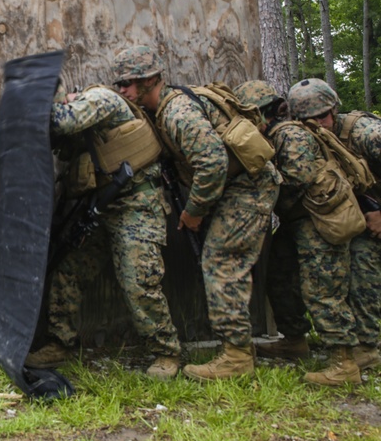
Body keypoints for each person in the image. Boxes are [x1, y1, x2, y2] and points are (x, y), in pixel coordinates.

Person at [110, 45, 279, 380]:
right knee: (222, 261)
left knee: (220, 261)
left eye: (128, 82)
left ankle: (236, 358)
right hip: (234, 189)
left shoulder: (177, 112)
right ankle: (238, 349)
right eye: (120, 84)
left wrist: (194, 211)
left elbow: (213, 162)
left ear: (152, 79)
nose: (122, 90)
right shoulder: (164, 111)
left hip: (248, 187)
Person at [26, 82, 183, 379]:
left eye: (63, 99)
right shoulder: (86, 116)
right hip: (104, 206)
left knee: (138, 280)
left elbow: (62, 120)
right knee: (68, 269)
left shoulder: (99, 98)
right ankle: (61, 343)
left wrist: (52, 95)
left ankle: (166, 352)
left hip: (137, 206)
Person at [236, 80, 361, 385]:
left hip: (318, 223)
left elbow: (299, 177)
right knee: (278, 274)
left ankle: (343, 362)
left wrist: (265, 186)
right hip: (298, 223)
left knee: (322, 290)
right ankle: (295, 340)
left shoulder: (288, 134)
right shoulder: (281, 134)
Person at [270, 78, 380, 373]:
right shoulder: (302, 137)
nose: (322, 122)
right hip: (336, 214)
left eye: (325, 115)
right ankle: (294, 338)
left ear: (335, 108)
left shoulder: (363, 131)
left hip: (371, 217)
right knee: (278, 261)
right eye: (311, 119)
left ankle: (365, 346)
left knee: (361, 261)